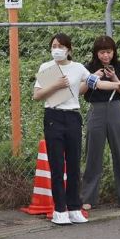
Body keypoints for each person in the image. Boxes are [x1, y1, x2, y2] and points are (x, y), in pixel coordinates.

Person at [32, 33, 93, 226]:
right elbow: (37, 95)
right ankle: (60, 209)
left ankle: (74, 207)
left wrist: (118, 84)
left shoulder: (78, 68)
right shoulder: (46, 67)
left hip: (73, 116)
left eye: (60, 46)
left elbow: (94, 83)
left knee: (73, 164)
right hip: (53, 116)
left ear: (68, 49)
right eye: (53, 46)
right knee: (57, 165)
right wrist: (56, 84)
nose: (56, 49)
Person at [80, 36, 120, 211]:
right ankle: (88, 198)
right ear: (96, 53)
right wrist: (93, 77)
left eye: (109, 52)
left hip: (115, 110)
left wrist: (114, 79)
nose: (106, 56)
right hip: (96, 110)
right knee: (93, 154)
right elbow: (81, 90)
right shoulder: (88, 68)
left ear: (114, 52)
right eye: (102, 52)